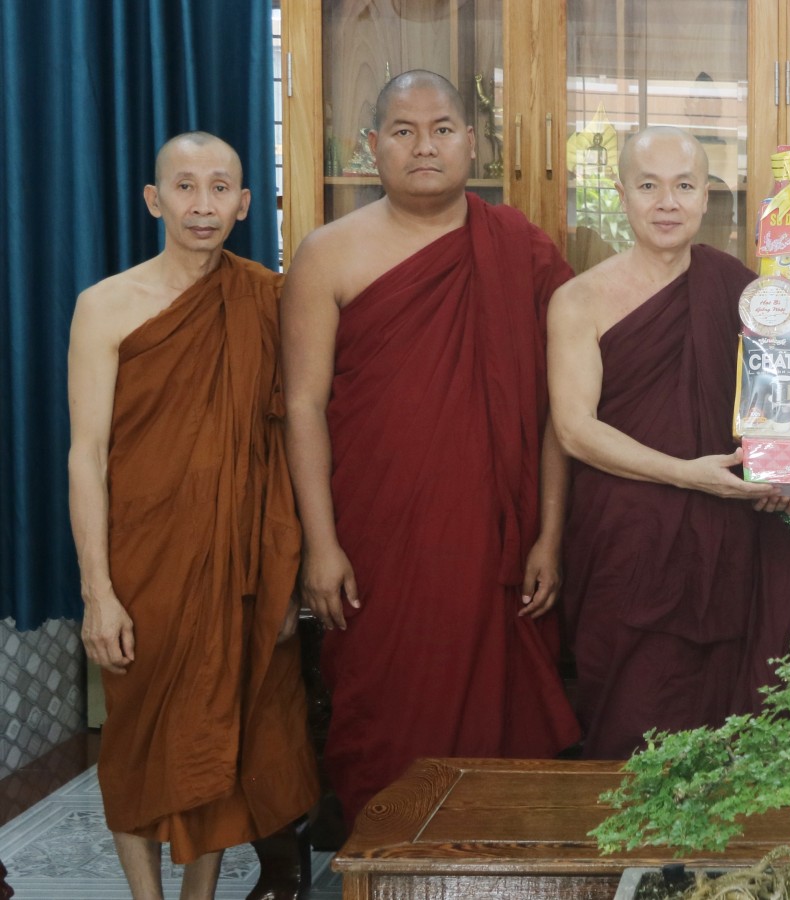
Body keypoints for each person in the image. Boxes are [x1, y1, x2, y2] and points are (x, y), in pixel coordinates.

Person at [282, 70, 580, 819]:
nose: (424, 146)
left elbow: (560, 409)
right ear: (372, 145)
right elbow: (302, 405)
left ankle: (493, 863)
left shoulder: (520, 248)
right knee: (385, 721)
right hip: (379, 542)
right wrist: (320, 545)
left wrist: (550, 536)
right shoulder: (328, 253)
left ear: (472, 143)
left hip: (496, 543)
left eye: (442, 129)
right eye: (404, 131)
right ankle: (387, 861)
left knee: (502, 744)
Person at [67, 132, 318, 900]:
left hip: (240, 558)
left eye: (218, 188)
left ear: (244, 204)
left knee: (222, 731)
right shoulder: (105, 306)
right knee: (137, 741)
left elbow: (294, 434)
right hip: (143, 562)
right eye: (184, 186)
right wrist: (98, 593)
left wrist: (289, 574)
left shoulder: (267, 300)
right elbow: (86, 454)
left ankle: (197, 897)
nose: (201, 204)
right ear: (154, 199)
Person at [548, 125, 790, 759]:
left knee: (732, 738)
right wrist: (687, 474)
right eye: (648, 186)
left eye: (684, 186)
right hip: (630, 540)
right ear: (621, 194)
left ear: (706, 197)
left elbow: (781, 408)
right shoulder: (578, 300)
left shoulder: (743, 292)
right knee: (632, 724)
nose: (667, 203)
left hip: (731, 539)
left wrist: (782, 475)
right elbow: (574, 429)